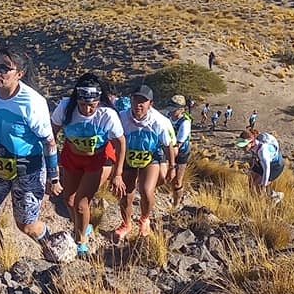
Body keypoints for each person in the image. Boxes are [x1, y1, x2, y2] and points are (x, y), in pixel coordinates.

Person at [0, 48, 60, 254]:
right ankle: (1, 255)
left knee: (26, 225)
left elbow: (49, 142)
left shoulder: (32, 102)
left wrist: (53, 178)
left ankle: (53, 246)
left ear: (19, 73)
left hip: (28, 170)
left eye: (5, 68)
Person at [50, 73, 126, 257]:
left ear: (99, 101)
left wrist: (117, 174)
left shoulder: (107, 114)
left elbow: (121, 143)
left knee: (81, 204)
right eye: (83, 104)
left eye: (92, 104)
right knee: (68, 200)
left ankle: (81, 240)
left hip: (98, 160)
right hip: (72, 156)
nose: (88, 109)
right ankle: (84, 225)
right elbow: (51, 134)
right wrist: (50, 168)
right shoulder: (65, 107)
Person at [115, 85, 176, 239]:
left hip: (150, 158)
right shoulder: (121, 117)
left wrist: (172, 167)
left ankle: (144, 219)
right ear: (131, 100)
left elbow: (167, 145)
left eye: (143, 101)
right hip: (128, 156)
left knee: (147, 191)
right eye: (136, 100)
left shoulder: (159, 121)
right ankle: (126, 224)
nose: (138, 105)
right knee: (126, 194)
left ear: (151, 104)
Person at [236, 128, 284, 202]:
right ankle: (254, 201)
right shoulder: (253, 145)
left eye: (244, 145)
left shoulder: (263, 152)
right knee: (251, 182)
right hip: (263, 162)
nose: (242, 148)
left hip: (275, 166)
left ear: (251, 142)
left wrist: (263, 186)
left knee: (258, 186)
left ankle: (275, 195)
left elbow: (267, 170)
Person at [167, 95, 193, 207]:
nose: (172, 110)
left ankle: (176, 203)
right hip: (167, 148)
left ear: (181, 109)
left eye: (175, 108)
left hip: (180, 152)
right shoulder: (167, 117)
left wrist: (171, 163)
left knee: (177, 180)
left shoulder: (185, 123)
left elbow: (178, 144)